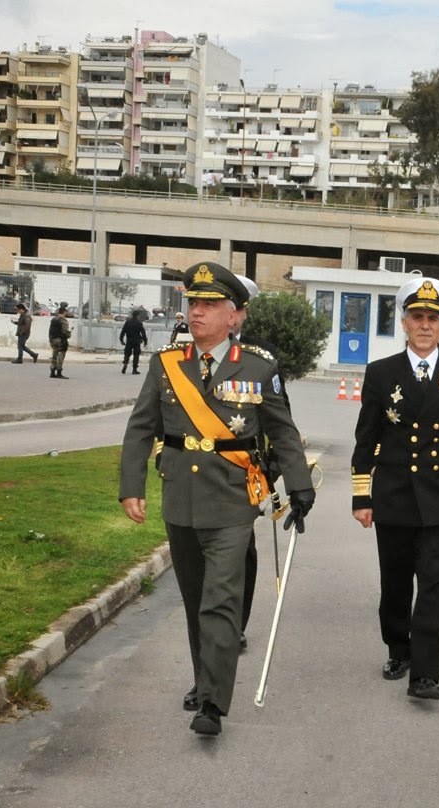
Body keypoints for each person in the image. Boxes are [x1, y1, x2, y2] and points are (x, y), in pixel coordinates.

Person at [119, 260, 315, 736]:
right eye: (193, 303)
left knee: (221, 601)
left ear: (235, 315)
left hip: (230, 502)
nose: (197, 312)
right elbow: (142, 426)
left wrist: (300, 485)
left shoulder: (257, 366)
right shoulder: (167, 364)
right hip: (180, 499)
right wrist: (131, 486)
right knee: (194, 601)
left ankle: (212, 703)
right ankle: (201, 678)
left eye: (209, 304)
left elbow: (282, 431)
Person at [351, 277, 439, 701]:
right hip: (393, 495)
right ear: (404, 323)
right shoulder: (380, 373)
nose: (425, 325)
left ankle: (426, 673)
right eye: (417, 317)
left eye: (433, 318)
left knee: (434, 584)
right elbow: (367, 436)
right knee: (395, 583)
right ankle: (398, 647)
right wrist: (361, 495)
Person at [232, 275, 290, 652]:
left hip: (245, 476)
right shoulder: (182, 353)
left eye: (235, 309)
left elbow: (281, 420)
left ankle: (234, 624)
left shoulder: (262, 356)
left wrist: (272, 470)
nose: (230, 317)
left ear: (243, 313)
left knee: (240, 552)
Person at [119, 309, 148, 375]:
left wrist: (121, 340)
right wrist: (145, 342)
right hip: (136, 341)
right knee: (136, 355)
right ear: (137, 315)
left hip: (129, 341)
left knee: (127, 353)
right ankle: (134, 370)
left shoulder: (128, 322)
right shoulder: (139, 323)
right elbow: (143, 333)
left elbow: (123, 331)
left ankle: (125, 363)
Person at [48, 305, 72, 380]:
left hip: (53, 340)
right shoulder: (63, 320)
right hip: (61, 340)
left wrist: (51, 339)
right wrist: (69, 334)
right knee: (60, 357)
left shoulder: (53, 319)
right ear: (64, 312)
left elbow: (50, 331)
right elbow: (64, 331)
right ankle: (59, 372)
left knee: (54, 356)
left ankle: (52, 372)